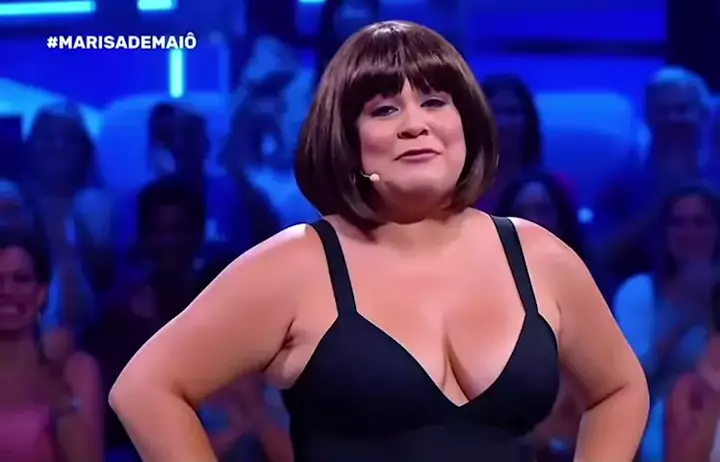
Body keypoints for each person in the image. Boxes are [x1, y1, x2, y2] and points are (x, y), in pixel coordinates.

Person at [110, 21, 648, 462]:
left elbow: (620, 389)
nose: (415, 124)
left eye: (434, 101)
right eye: (385, 109)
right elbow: (145, 390)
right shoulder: (298, 265)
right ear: (347, 142)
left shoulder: (537, 257)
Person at [614, 182, 720, 462]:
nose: (690, 232)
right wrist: (689, 313)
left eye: (701, 222)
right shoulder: (639, 292)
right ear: (665, 233)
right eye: (678, 223)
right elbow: (628, 380)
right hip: (657, 427)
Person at [595, 67, 711, 286]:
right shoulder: (622, 183)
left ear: (703, 115)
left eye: (682, 109)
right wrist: (666, 200)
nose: (672, 119)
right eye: (663, 111)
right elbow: (600, 256)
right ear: (649, 118)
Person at [0, 228, 103, 462]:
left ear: (42, 293)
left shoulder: (76, 370)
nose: (6, 291)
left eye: (21, 279)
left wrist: (54, 381)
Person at [478, 75, 543, 211]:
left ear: (528, 120)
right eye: (494, 112)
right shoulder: (456, 185)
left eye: (511, 112)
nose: (502, 123)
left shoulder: (554, 188)